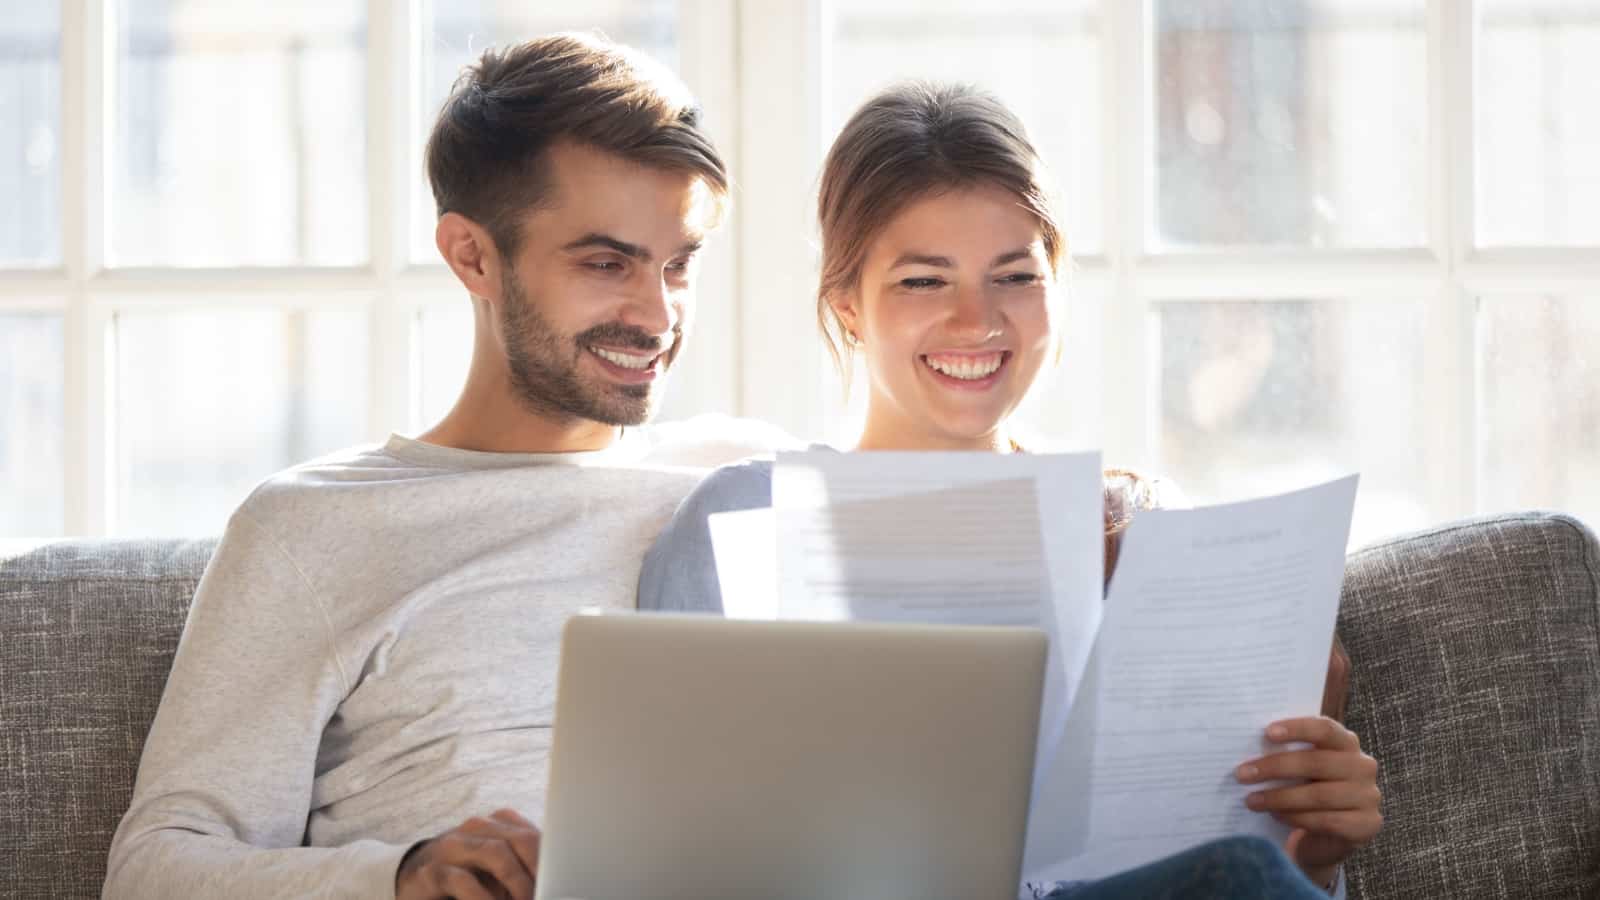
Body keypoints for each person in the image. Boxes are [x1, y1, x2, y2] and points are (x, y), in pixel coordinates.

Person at [638, 81, 1380, 898]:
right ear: (847, 304)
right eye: (924, 281)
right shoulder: (741, 519)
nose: (977, 322)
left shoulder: (1145, 527)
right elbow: (658, 849)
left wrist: (1315, 849)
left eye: (1014, 277)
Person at [103, 34, 795, 900]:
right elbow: (156, 868)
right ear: (472, 256)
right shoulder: (316, 528)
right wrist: (403, 876)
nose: (658, 315)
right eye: (606, 262)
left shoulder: (751, 483)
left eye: (679, 264)